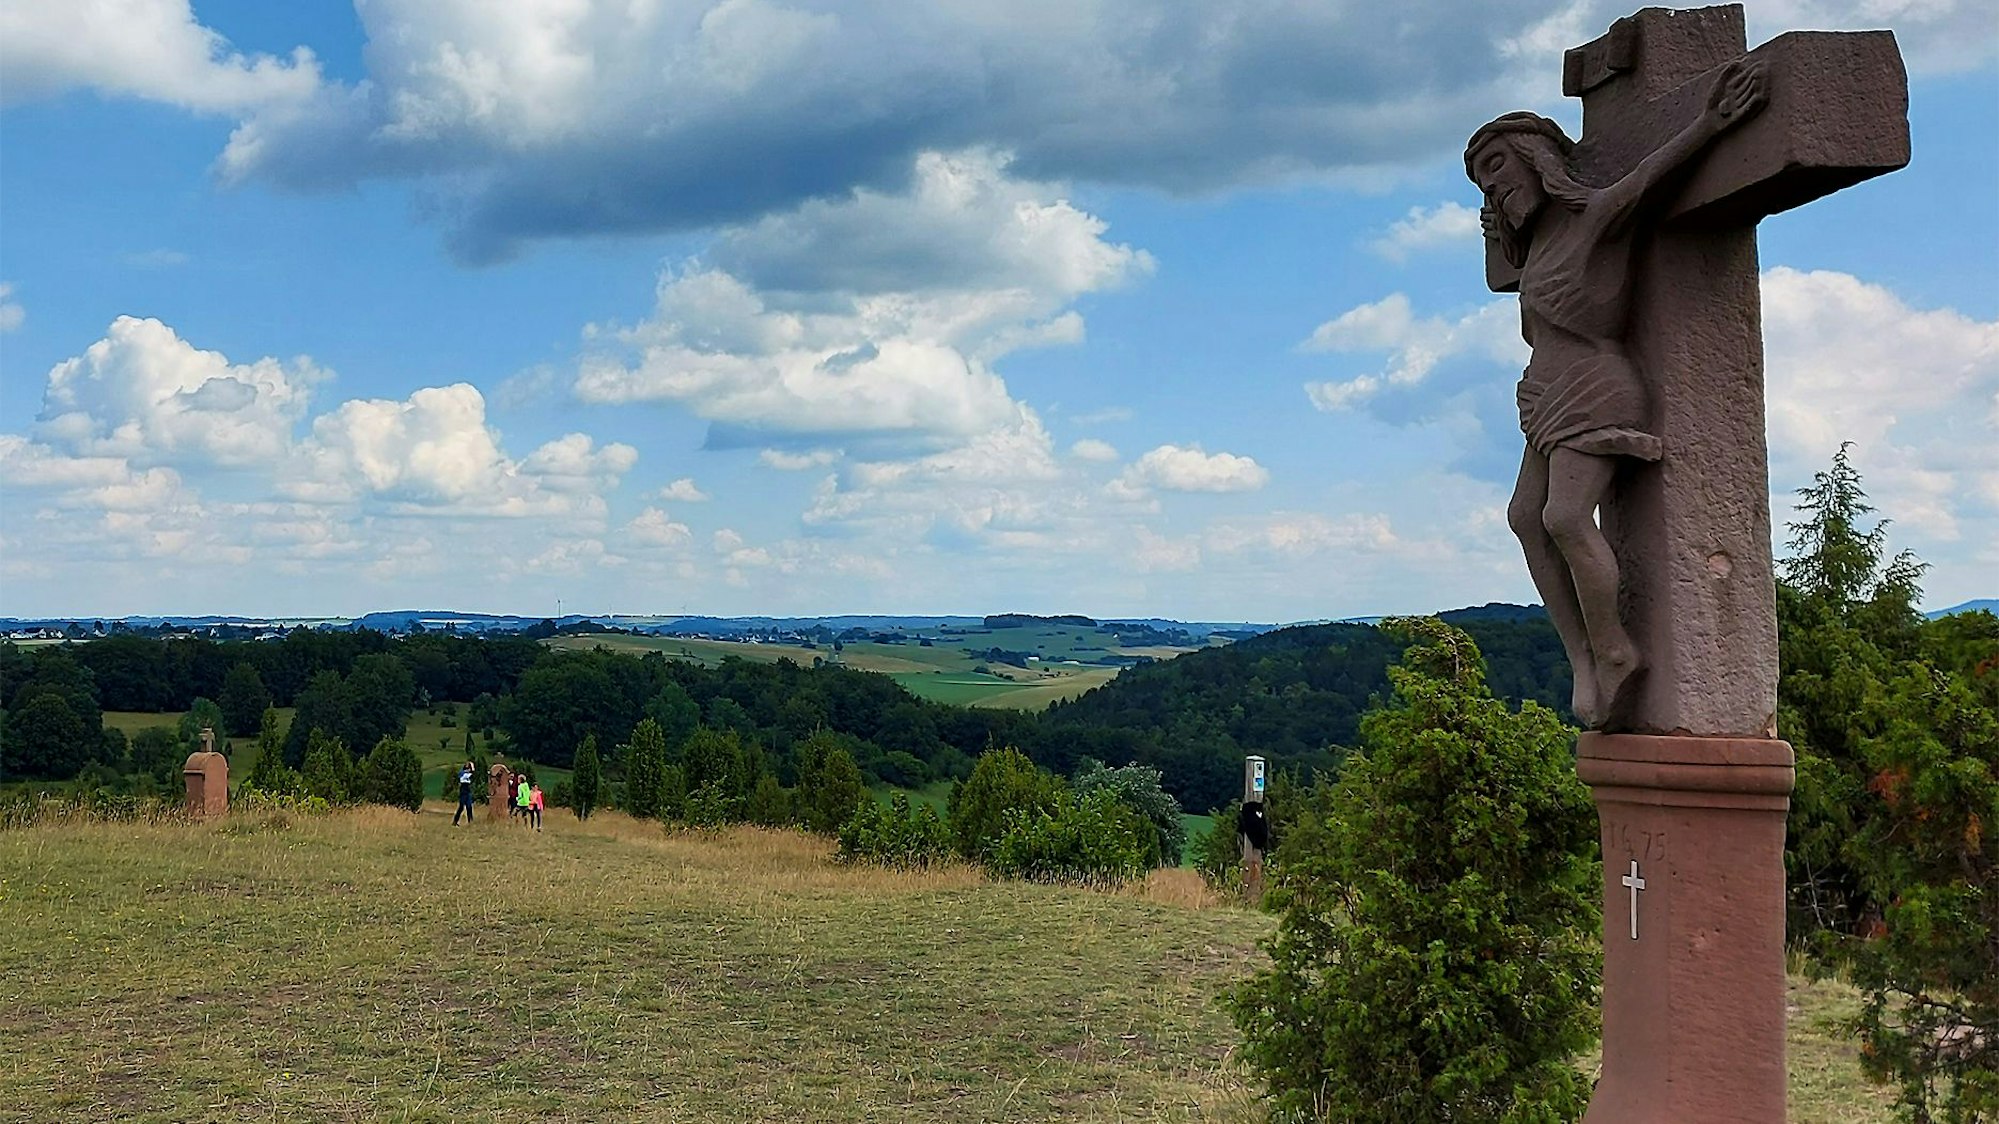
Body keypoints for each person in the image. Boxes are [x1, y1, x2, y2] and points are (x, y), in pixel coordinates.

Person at [1463, 58, 1767, 726]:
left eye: (1496, 172)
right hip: (1545, 393)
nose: (1492, 194)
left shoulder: (1593, 219)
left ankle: (1612, 649)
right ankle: (1583, 656)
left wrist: (1711, 125)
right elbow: (1506, 280)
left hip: (1594, 384)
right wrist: (1502, 243)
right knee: (1524, 518)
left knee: (1565, 518)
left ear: (1534, 162)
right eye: (1482, 185)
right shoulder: (1535, 250)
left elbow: (1646, 178)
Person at [453, 761, 476, 826]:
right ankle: (455, 821)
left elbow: (473, 773)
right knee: (461, 807)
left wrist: (472, 768)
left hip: (467, 790)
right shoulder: (462, 773)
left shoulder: (470, 774)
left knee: (469, 806)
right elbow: (460, 775)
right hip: (463, 789)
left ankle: (470, 822)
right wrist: (468, 771)